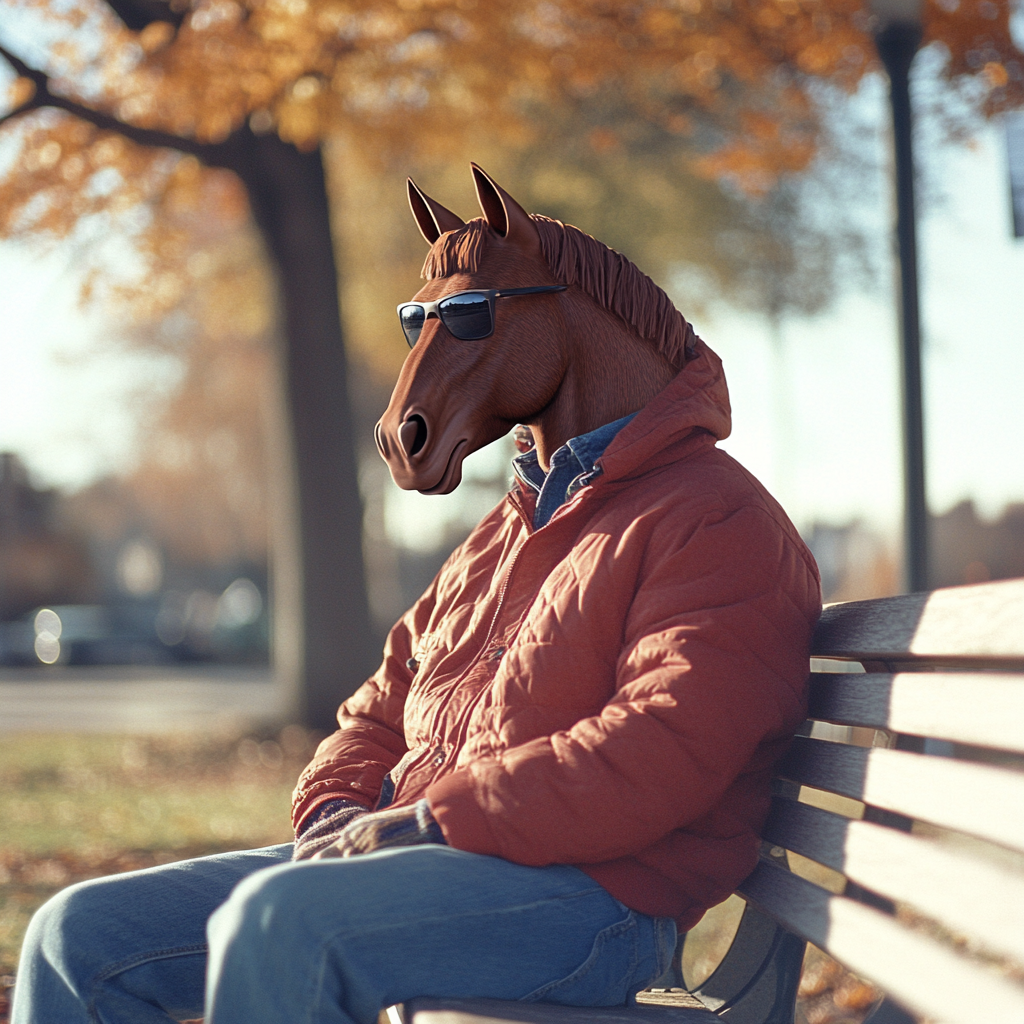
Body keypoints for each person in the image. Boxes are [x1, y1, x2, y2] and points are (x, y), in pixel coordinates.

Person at [12, 170, 820, 1024]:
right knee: (76, 936)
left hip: (596, 906)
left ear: (562, 317)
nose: (427, 350)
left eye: (467, 317)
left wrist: (439, 819)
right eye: (419, 320)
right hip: (406, 858)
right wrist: (335, 804)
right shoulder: (501, 537)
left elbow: (664, 747)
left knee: (284, 925)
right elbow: (381, 704)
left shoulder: (718, 523)